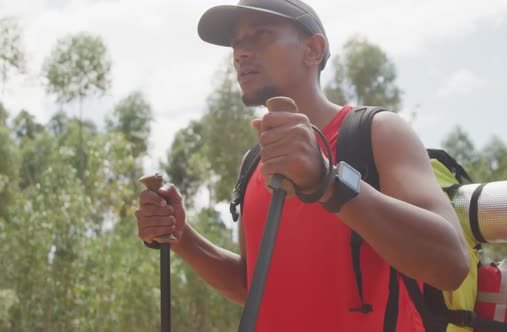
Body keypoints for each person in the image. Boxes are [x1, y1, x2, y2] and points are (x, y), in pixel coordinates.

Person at [135, 0, 470, 330]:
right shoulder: (255, 163)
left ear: (313, 49)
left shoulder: (377, 131)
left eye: (261, 34)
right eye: (237, 42)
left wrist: (328, 181)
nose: (241, 53)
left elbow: (452, 265)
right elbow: (252, 286)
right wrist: (182, 238)